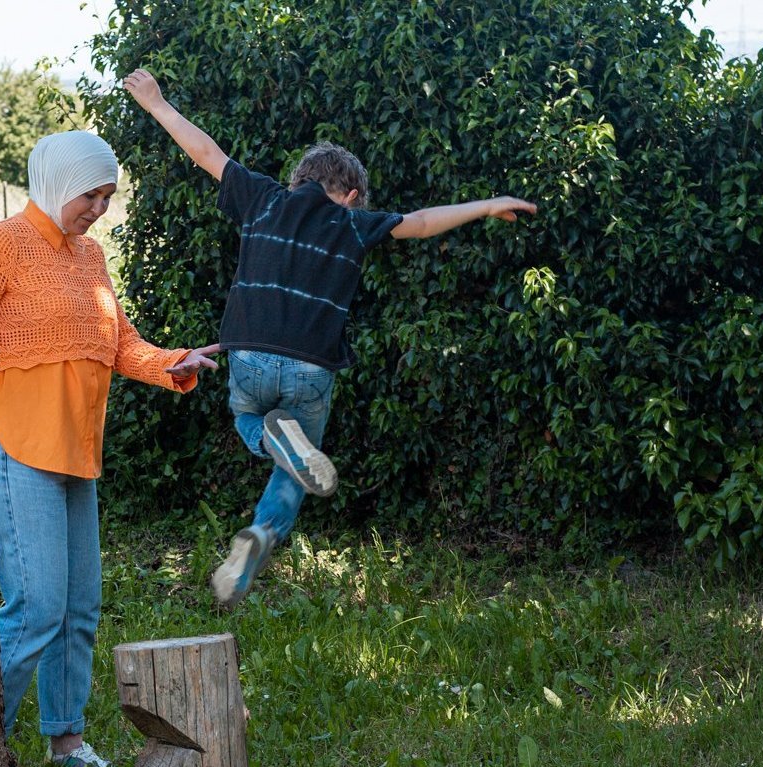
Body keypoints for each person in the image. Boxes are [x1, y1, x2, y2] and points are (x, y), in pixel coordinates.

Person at [122, 68, 541, 608]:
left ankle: (270, 456)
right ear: (350, 195)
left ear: (299, 179)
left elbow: (204, 150)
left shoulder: (263, 199)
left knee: (252, 421)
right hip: (310, 370)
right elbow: (422, 221)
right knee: (298, 455)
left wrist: (156, 102)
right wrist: (485, 205)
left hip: (248, 356)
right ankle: (262, 534)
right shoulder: (352, 224)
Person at [0, 130, 220, 767]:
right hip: (14, 452)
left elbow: (120, 345)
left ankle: (67, 744)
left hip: (74, 457)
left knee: (78, 610)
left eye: (108, 197)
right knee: (36, 610)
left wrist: (174, 362)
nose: (98, 208)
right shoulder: (0, 245)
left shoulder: (91, 258)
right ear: (59, 182)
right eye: (90, 194)